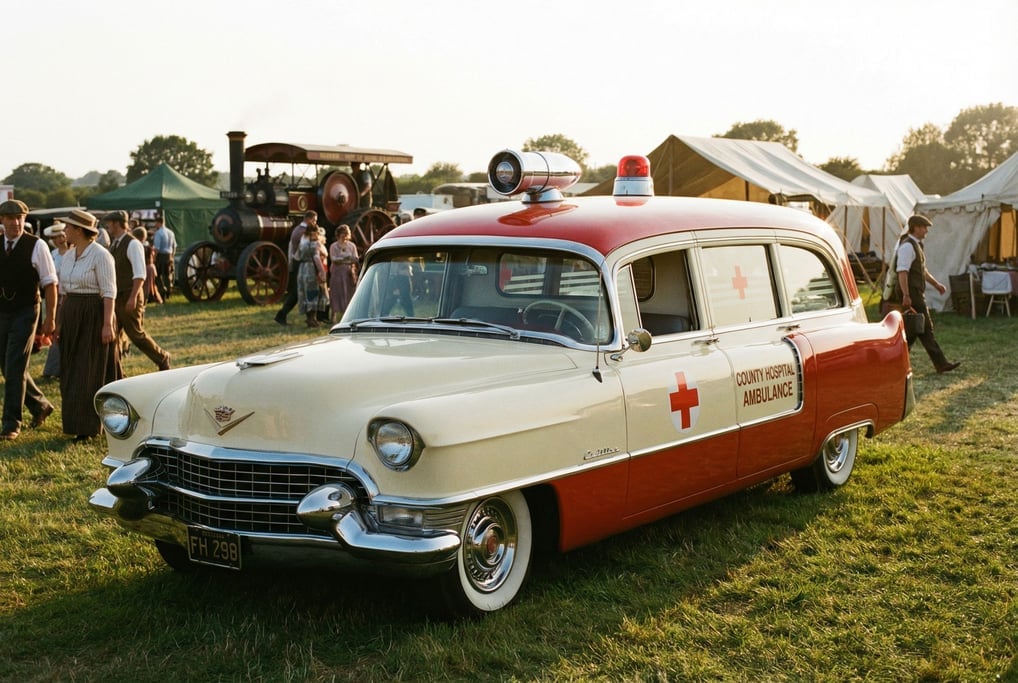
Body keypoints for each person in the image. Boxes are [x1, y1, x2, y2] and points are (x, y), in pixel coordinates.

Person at [56, 208, 122, 440]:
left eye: (68, 227)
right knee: (70, 368)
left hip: (93, 314)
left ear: (78, 230)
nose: (64, 231)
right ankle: (74, 421)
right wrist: (59, 321)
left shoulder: (100, 255)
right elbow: (63, 293)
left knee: (88, 369)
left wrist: (107, 324)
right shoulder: (67, 256)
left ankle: (88, 427)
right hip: (72, 312)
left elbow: (109, 293)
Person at [0, 199, 58, 440]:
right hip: (3, 310)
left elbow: (50, 283)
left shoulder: (37, 245)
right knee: (7, 365)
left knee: (14, 366)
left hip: (27, 310)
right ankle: (40, 405)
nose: (15, 223)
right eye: (10, 218)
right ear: (2, 221)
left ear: (25, 219)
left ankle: (11, 423)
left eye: (20, 218)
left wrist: (51, 318)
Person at [890, 214, 961, 374]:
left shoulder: (916, 245)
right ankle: (940, 363)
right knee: (924, 327)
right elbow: (903, 272)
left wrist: (936, 284)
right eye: (924, 227)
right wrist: (906, 295)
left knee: (916, 330)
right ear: (915, 227)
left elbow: (922, 271)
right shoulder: (908, 246)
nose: (926, 230)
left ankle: (896, 363)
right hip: (912, 294)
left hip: (915, 292)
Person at [104, 211, 171, 372]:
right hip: (118, 296)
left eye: (109, 223)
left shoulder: (132, 244)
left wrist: (133, 297)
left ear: (116, 223)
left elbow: (140, 274)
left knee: (135, 334)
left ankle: (162, 357)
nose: (107, 226)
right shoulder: (115, 243)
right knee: (114, 335)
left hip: (129, 294)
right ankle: (115, 371)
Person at [274, 210, 317, 325]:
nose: (315, 223)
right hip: (302, 263)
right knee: (299, 292)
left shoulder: (296, 230)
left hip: (297, 262)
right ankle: (282, 314)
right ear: (309, 219)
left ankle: (310, 318)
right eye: (314, 220)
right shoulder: (304, 232)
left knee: (301, 291)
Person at [42, 221, 70, 379]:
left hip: (68, 295)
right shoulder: (52, 255)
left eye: (61, 235)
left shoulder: (73, 253)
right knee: (57, 332)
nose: (59, 239)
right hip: (56, 295)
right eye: (56, 237)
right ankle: (53, 368)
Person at [296, 222, 327, 328]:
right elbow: (316, 257)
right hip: (311, 269)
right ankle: (312, 318)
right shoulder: (315, 243)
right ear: (314, 232)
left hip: (302, 268)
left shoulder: (302, 241)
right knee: (312, 292)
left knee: (304, 292)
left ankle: (309, 317)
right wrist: (322, 271)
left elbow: (296, 256)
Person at [328, 224, 358, 321]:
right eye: (343, 233)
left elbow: (355, 258)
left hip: (349, 272)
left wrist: (348, 261)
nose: (345, 235)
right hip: (337, 271)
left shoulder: (352, 246)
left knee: (349, 291)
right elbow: (334, 259)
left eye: (347, 233)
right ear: (339, 234)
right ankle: (333, 315)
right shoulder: (334, 246)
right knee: (336, 292)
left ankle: (348, 314)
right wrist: (345, 259)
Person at [151, 212, 176, 301]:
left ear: (159, 223)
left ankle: (162, 291)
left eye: (156, 223)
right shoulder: (171, 232)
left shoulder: (158, 233)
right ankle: (169, 290)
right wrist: (172, 256)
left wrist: (153, 259)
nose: (155, 225)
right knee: (168, 275)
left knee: (158, 275)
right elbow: (174, 246)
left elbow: (156, 248)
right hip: (169, 255)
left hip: (161, 256)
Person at [134, 225, 162, 304]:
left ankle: (145, 299)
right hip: (151, 267)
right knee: (152, 285)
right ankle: (155, 298)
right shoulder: (148, 245)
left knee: (146, 286)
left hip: (146, 267)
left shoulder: (142, 246)